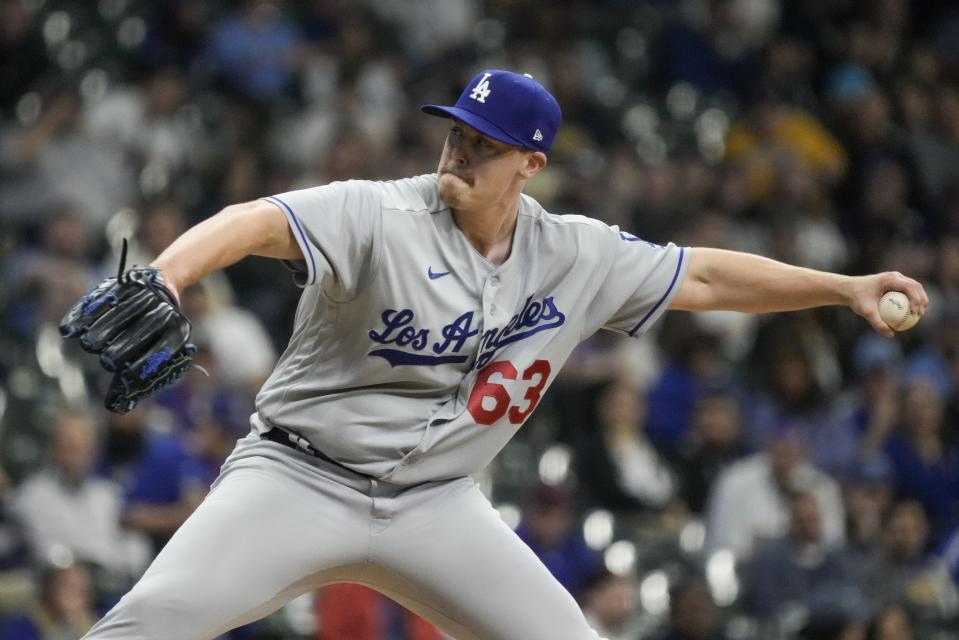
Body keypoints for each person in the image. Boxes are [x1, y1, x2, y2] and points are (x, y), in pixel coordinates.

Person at [75, 69, 928, 639]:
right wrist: (172, 274)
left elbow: (702, 276)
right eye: (457, 131)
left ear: (531, 163)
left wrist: (842, 286)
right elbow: (256, 220)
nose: (461, 148)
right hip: (296, 477)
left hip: (436, 504)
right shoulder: (382, 212)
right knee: (152, 621)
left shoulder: (574, 254)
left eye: (485, 141)